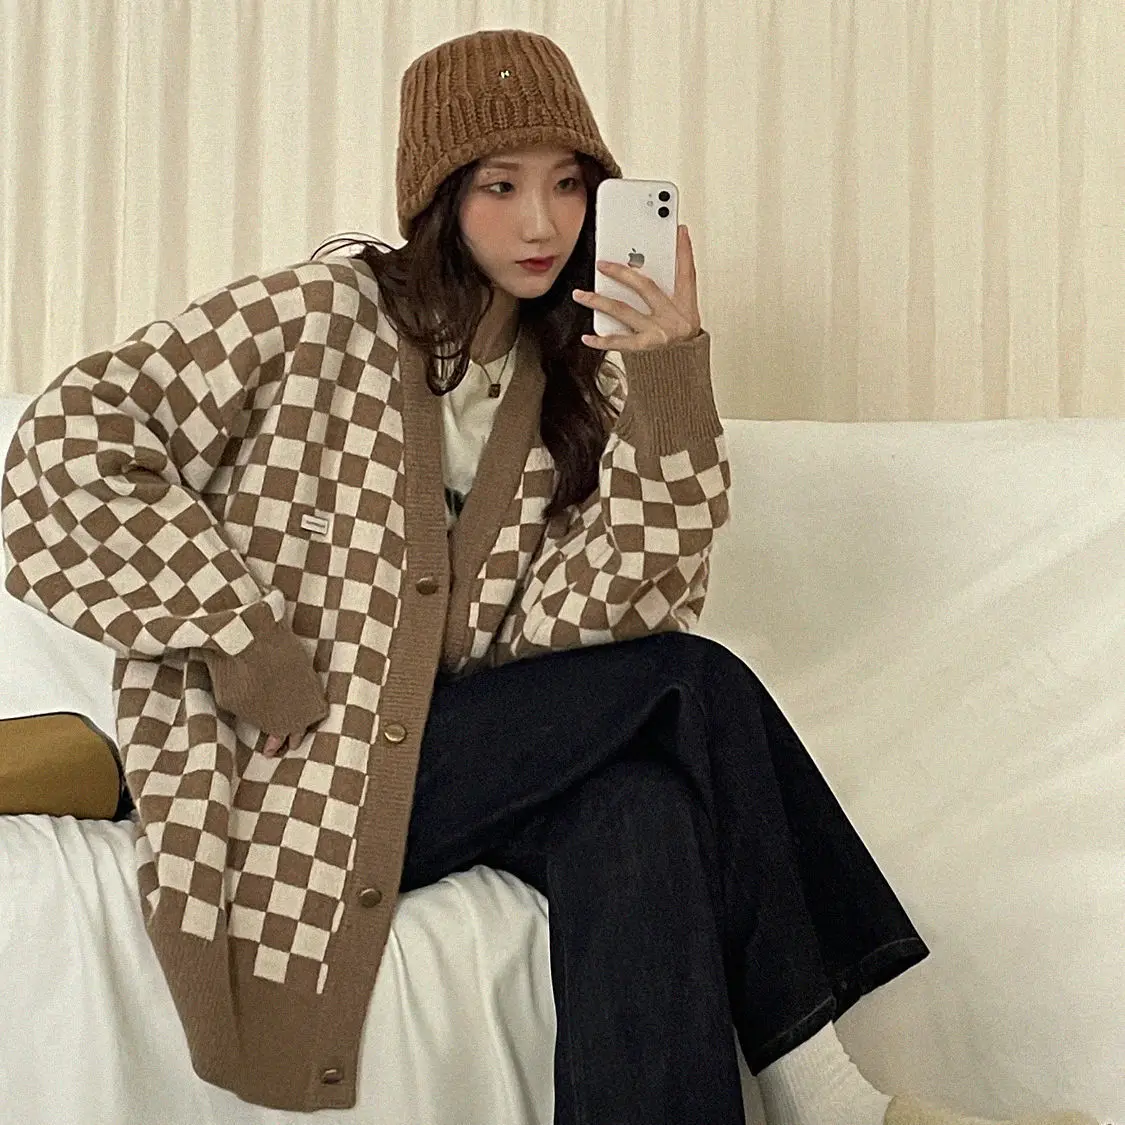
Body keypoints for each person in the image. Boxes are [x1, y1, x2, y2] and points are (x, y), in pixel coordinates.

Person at [0, 27, 1105, 1125]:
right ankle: (839, 1107)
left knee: (640, 806)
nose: (542, 222)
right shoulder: (311, 319)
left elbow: (593, 626)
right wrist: (237, 634)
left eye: (569, 185)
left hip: (448, 764)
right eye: (501, 186)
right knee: (693, 686)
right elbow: (61, 449)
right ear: (438, 197)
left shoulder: (568, 380)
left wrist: (667, 381)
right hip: (297, 766)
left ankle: (827, 1105)